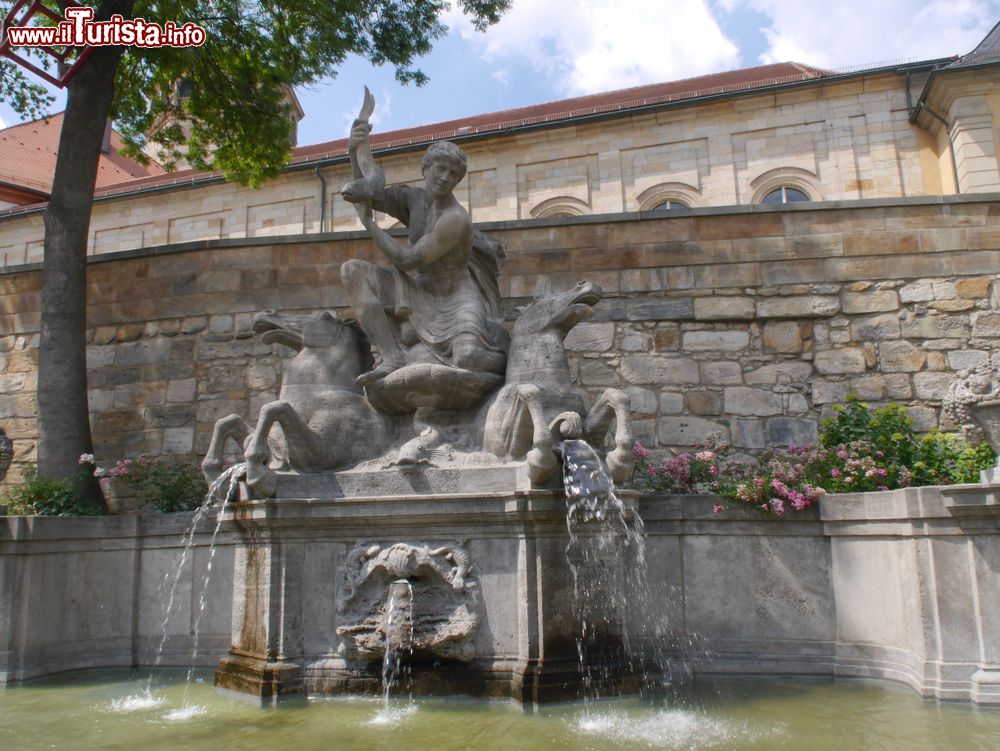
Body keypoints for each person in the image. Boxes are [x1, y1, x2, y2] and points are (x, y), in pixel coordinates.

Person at [341, 121, 507, 386]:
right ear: (425, 168)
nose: (445, 177)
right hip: (419, 290)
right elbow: (367, 193)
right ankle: (391, 356)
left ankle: (506, 359)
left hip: (455, 299)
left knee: (468, 358)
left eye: (453, 174)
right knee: (352, 271)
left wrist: (369, 224)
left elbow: (407, 260)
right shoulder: (412, 199)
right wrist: (355, 151)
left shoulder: (455, 219)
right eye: (441, 168)